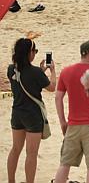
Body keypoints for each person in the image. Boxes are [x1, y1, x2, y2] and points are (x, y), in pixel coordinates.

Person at [53, 40, 89, 183]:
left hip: (73, 124)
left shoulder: (66, 71)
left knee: (64, 164)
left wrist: (63, 121)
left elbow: (58, 98)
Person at [7, 36, 57, 183]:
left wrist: (40, 71)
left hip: (17, 113)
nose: (35, 53)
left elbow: (26, 80)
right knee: (31, 153)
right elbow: (52, 87)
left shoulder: (11, 69)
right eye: (34, 51)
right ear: (28, 53)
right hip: (33, 116)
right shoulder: (35, 72)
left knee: (15, 149)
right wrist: (52, 71)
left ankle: (11, 181)